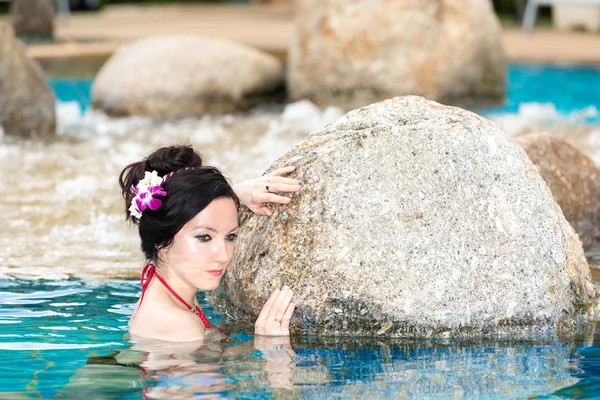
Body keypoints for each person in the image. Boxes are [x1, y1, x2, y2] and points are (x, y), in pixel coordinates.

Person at [118, 144, 300, 341]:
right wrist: (272, 346)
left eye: (231, 236)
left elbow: (176, 212)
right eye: (204, 238)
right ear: (161, 240)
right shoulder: (179, 327)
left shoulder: (164, 282)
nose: (224, 256)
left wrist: (234, 193)